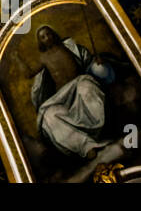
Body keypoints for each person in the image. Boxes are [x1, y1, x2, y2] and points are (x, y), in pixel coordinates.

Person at [29, 26, 121, 163]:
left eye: (48, 34)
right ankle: (86, 146)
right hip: (61, 96)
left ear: (53, 34)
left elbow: (89, 61)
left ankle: (99, 132)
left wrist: (97, 61)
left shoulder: (70, 47)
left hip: (79, 83)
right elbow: (29, 74)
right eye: (43, 37)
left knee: (87, 88)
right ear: (40, 42)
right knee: (49, 116)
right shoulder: (43, 59)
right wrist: (17, 58)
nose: (47, 38)